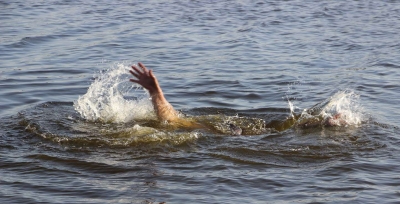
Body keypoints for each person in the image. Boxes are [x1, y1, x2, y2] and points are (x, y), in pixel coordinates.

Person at [129, 62, 346, 133]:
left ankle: (323, 123)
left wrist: (156, 92)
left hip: (229, 134)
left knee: (278, 131)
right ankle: (323, 122)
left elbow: (171, 120)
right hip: (246, 132)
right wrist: (156, 92)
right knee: (280, 130)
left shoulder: (199, 127)